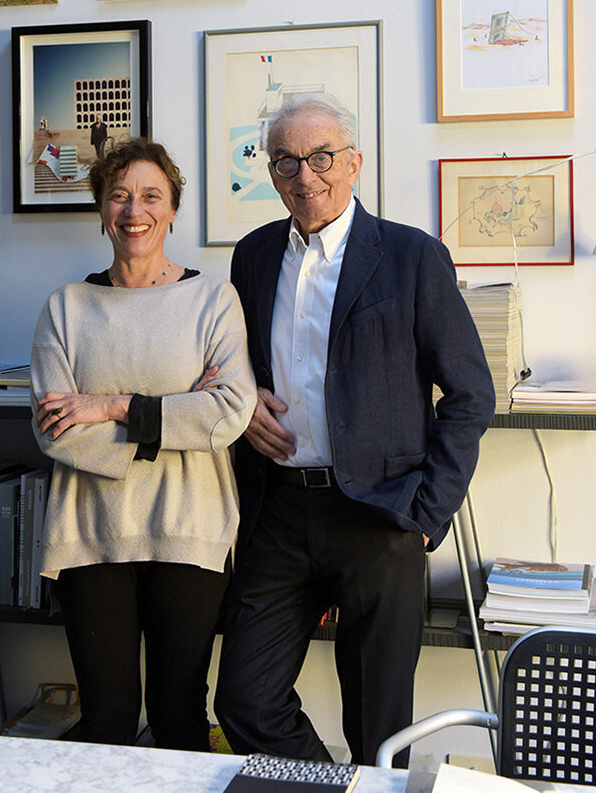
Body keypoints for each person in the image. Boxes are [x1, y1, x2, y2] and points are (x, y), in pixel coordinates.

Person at [214, 95, 495, 767]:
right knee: (244, 700)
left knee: (378, 728)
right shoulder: (253, 256)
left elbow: (470, 393)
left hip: (381, 513)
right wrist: (242, 402)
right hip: (278, 511)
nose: (305, 175)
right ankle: (330, 787)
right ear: (271, 171)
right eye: (286, 161)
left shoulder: (412, 255)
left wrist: (426, 513)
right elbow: (231, 362)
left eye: (321, 157)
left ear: (354, 162)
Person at [30, 137, 256, 750]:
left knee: (179, 717)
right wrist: (175, 417)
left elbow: (229, 414)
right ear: (101, 209)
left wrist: (111, 406)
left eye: (152, 196)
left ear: (173, 209)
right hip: (90, 532)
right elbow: (57, 431)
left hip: (191, 528)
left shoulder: (213, 300)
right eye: (119, 196)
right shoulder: (66, 308)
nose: (135, 210)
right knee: (106, 720)